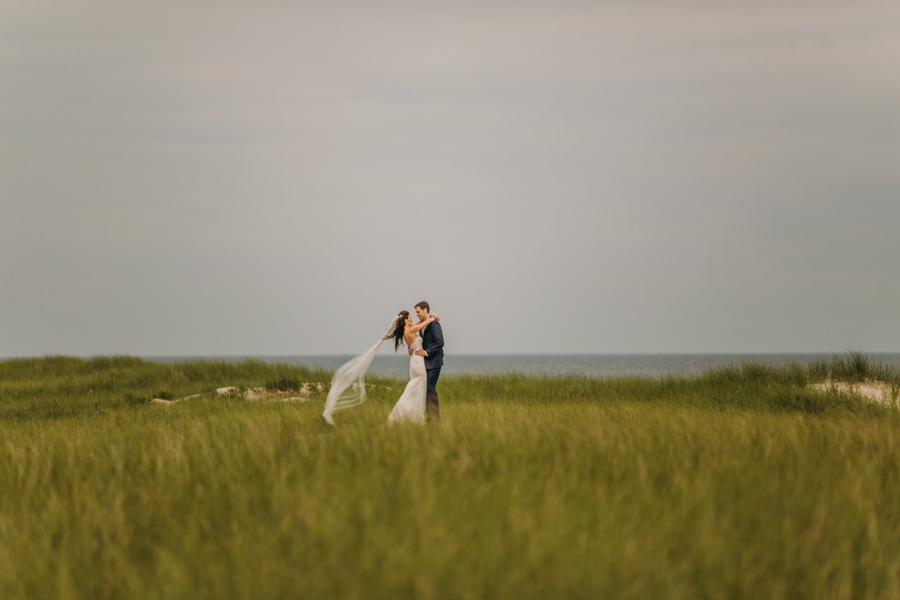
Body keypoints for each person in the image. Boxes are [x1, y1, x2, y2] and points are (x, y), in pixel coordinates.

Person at [383, 309, 439, 424]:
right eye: (409, 318)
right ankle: (414, 417)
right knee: (418, 388)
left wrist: (430, 316)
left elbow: (419, 323)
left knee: (416, 388)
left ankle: (414, 415)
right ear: (405, 321)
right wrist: (433, 318)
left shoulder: (408, 330)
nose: (412, 319)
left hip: (414, 360)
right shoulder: (410, 330)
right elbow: (424, 324)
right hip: (418, 362)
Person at [413, 301, 444, 422]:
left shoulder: (434, 324)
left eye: (418, 312)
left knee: (430, 390)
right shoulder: (425, 323)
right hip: (427, 363)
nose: (416, 314)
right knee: (427, 391)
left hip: (434, 362)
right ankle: (431, 418)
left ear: (425, 310)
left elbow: (440, 343)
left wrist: (425, 353)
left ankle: (436, 419)